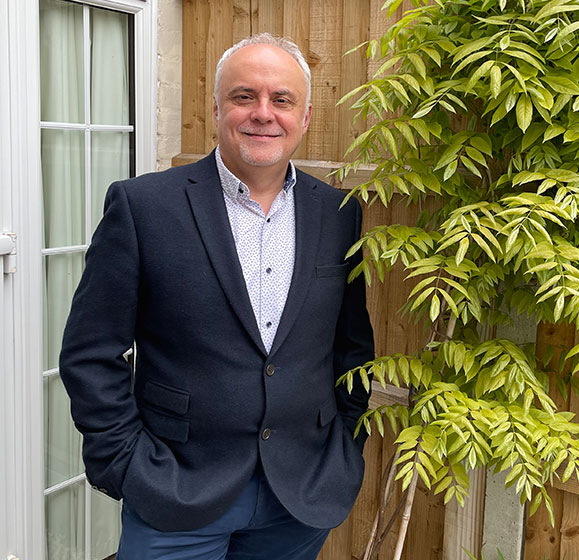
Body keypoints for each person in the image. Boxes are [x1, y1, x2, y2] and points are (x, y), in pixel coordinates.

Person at [59, 33, 374, 559]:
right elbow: (91, 352)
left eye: (282, 99)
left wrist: (344, 447)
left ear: (305, 116)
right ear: (216, 108)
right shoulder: (143, 207)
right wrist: (125, 461)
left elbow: (352, 349)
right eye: (244, 96)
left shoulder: (339, 213)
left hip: (300, 493)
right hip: (176, 491)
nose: (263, 113)